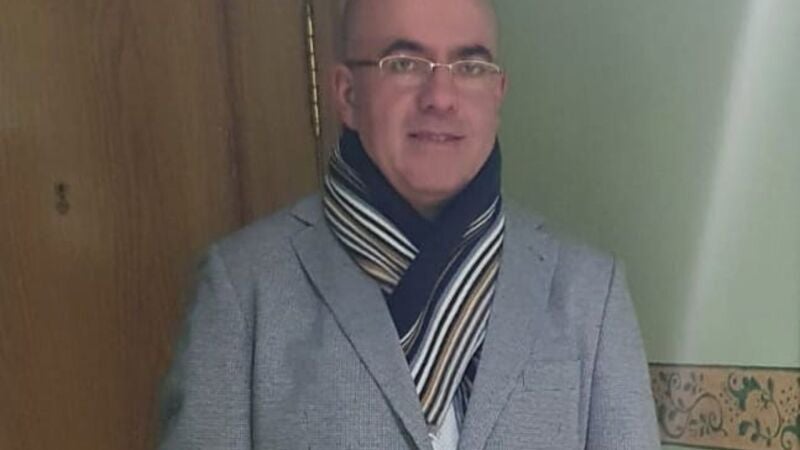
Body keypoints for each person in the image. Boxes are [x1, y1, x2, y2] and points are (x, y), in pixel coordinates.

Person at [158, 0, 660, 448]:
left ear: (498, 93)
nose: (440, 96)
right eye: (404, 63)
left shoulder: (590, 293)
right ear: (347, 94)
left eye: (470, 66)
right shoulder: (242, 289)